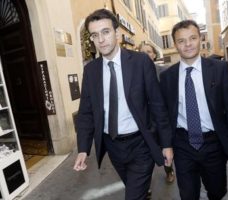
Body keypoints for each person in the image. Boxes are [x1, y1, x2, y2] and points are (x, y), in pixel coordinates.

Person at [73, 9, 173, 200]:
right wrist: (83, 149)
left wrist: (167, 143)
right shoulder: (91, 70)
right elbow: (86, 112)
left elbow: (157, 105)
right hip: (113, 147)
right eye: (95, 35)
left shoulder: (141, 62)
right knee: (136, 190)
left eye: (106, 32)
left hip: (141, 144)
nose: (101, 39)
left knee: (133, 196)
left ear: (117, 33)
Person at [159, 19, 228, 200]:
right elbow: (164, 115)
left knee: (217, 191)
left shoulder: (219, 69)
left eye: (192, 38)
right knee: (188, 195)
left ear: (200, 39)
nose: (188, 44)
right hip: (183, 144)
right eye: (181, 41)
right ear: (175, 45)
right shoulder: (167, 76)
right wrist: (166, 145)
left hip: (213, 143)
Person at [139, 42, 175, 184]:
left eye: (148, 51)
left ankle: (169, 170)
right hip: (142, 122)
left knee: (165, 148)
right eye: (142, 52)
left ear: (154, 55)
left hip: (160, 120)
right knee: (143, 154)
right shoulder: (132, 73)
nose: (145, 55)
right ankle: (145, 184)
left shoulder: (164, 71)